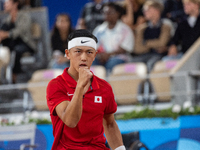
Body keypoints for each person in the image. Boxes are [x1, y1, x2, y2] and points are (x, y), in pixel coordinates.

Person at [46, 29, 126, 150]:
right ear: (67, 54)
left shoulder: (104, 87)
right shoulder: (56, 85)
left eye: (89, 52)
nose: (83, 57)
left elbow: (109, 124)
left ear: (95, 55)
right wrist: (80, 88)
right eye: (78, 52)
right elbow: (70, 121)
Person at [92, 2, 134, 74]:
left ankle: (109, 84)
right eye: (105, 12)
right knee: (90, 62)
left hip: (119, 58)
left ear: (117, 14)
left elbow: (124, 49)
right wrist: (100, 56)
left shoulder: (125, 30)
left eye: (109, 12)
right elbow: (93, 47)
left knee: (111, 64)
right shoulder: (98, 30)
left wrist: (108, 55)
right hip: (101, 57)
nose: (106, 14)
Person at [0, 0, 36, 83]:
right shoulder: (7, 20)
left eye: (7, 3)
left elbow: (20, 31)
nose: (5, 5)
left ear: (15, 4)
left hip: (25, 43)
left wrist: (7, 34)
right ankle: (3, 77)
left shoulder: (24, 16)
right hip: (12, 44)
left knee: (17, 51)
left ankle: (14, 76)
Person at [131, 0, 172, 72]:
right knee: (131, 64)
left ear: (157, 11)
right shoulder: (142, 29)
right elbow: (137, 48)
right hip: (143, 55)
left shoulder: (165, 26)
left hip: (159, 55)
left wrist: (145, 43)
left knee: (151, 64)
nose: (144, 12)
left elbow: (162, 43)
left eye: (148, 10)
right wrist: (153, 46)